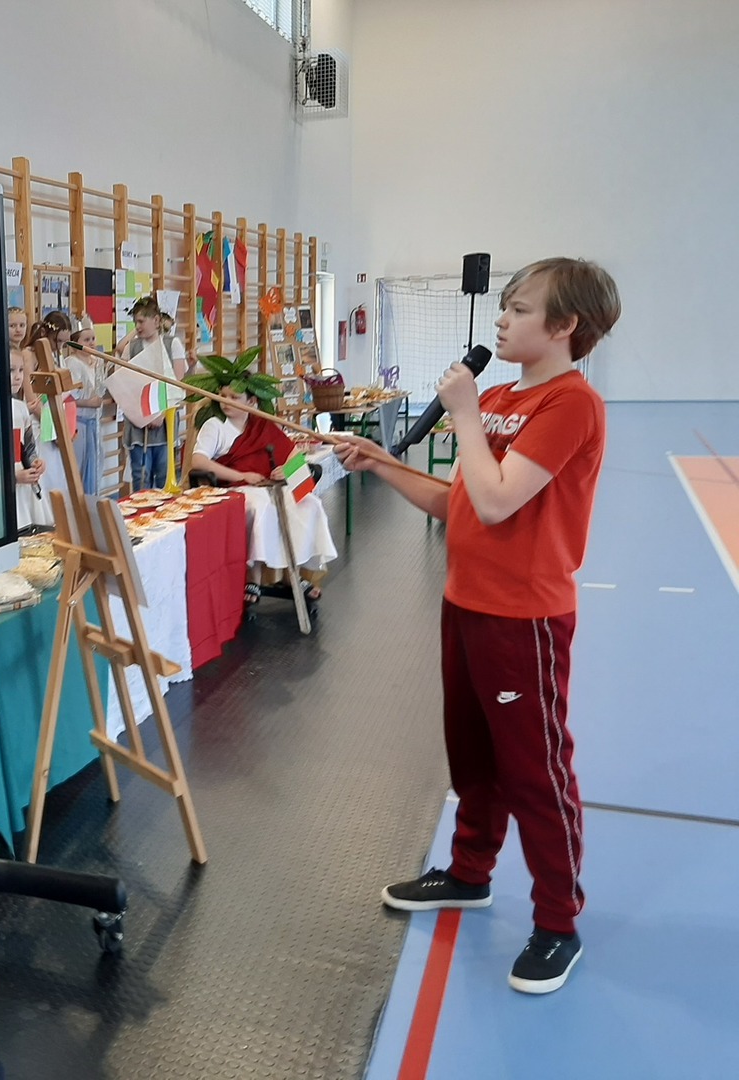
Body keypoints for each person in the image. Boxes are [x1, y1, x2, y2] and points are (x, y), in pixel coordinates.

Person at [335, 257, 621, 995]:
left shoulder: (571, 404)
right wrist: (381, 464)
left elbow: (497, 503)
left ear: (564, 326)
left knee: (535, 771)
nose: (501, 319)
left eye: (519, 309)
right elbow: (458, 501)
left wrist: (462, 412)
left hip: (523, 619)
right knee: (470, 756)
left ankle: (558, 923)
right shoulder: (495, 398)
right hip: (465, 603)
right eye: (504, 306)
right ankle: (469, 872)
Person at [190, 384, 336, 605]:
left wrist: (286, 470)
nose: (226, 401)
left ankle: (294, 575)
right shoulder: (215, 424)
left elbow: (293, 454)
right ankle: (253, 578)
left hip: (270, 485)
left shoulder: (261, 423)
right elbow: (199, 461)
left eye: (234, 397)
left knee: (309, 504)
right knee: (261, 507)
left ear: (251, 402)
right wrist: (242, 475)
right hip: (234, 487)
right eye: (223, 396)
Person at [118, 295, 186, 492]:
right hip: (139, 421)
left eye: (141, 321)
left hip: (164, 421)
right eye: (135, 322)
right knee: (141, 477)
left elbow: (177, 384)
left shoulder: (172, 344)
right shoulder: (132, 347)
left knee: (164, 476)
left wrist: (161, 413)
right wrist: (144, 416)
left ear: (156, 320)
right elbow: (125, 385)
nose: (137, 327)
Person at [19, 312, 73, 502]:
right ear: (44, 333)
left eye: (64, 343)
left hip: (53, 420)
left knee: (59, 477)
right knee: (46, 478)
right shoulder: (28, 355)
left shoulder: (55, 355)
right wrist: (56, 428)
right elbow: (32, 400)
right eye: (57, 341)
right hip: (39, 423)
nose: (59, 347)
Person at [63, 318, 107, 495]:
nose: (91, 343)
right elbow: (68, 397)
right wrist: (88, 403)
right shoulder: (72, 363)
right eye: (86, 340)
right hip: (79, 423)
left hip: (94, 422)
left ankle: (93, 501)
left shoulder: (97, 362)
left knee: (97, 464)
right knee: (79, 466)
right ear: (75, 344)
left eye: (93, 339)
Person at [10, 349, 51, 529]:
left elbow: (28, 447)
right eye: (11, 370)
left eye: (21, 370)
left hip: (25, 481)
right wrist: (13, 477)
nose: (17, 376)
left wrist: (35, 462)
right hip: (9, 483)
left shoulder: (21, 408)